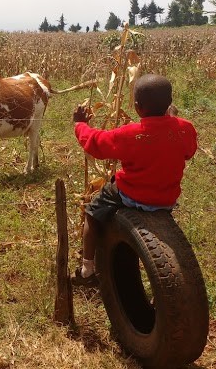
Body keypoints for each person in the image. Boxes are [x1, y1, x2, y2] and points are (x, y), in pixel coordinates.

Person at [71, 74, 197, 286]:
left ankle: (87, 270)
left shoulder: (130, 134)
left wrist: (80, 124)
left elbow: (95, 143)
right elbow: (189, 152)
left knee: (92, 212)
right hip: (166, 198)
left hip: (130, 195)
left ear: (137, 107)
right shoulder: (185, 128)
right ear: (169, 103)